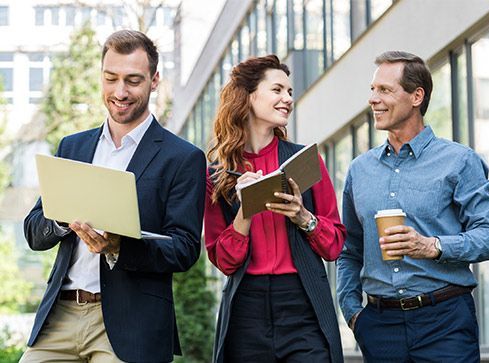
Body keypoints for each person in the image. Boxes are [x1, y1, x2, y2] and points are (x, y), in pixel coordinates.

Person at [21, 30, 206, 363]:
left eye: (133, 81)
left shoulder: (183, 158)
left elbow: (185, 248)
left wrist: (120, 246)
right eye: (111, 79)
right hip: (60, 317)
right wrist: (64, 217)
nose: (120, 92)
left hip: (129, 325)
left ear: (154, 81)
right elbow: (34, 232)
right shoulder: (72, 147)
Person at [337, 50, 489, 362]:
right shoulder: (360, 170)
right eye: (372, 90)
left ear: (417, 96)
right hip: (379, 327)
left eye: (385, 90)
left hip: (446, 323)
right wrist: (353, 313)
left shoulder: (459, 161)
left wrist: (433, 246)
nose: (373, 99)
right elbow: (349, 249)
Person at [204, 54, 346, 363]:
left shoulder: (305, 161)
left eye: (290, 92)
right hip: (247, 311)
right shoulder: (218, 173)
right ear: (250, 96)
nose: (287, 99)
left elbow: (334, 244)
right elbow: (223, 260)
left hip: (302, 303)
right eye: (278, 90)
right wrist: (246, 209)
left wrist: (302, 216)